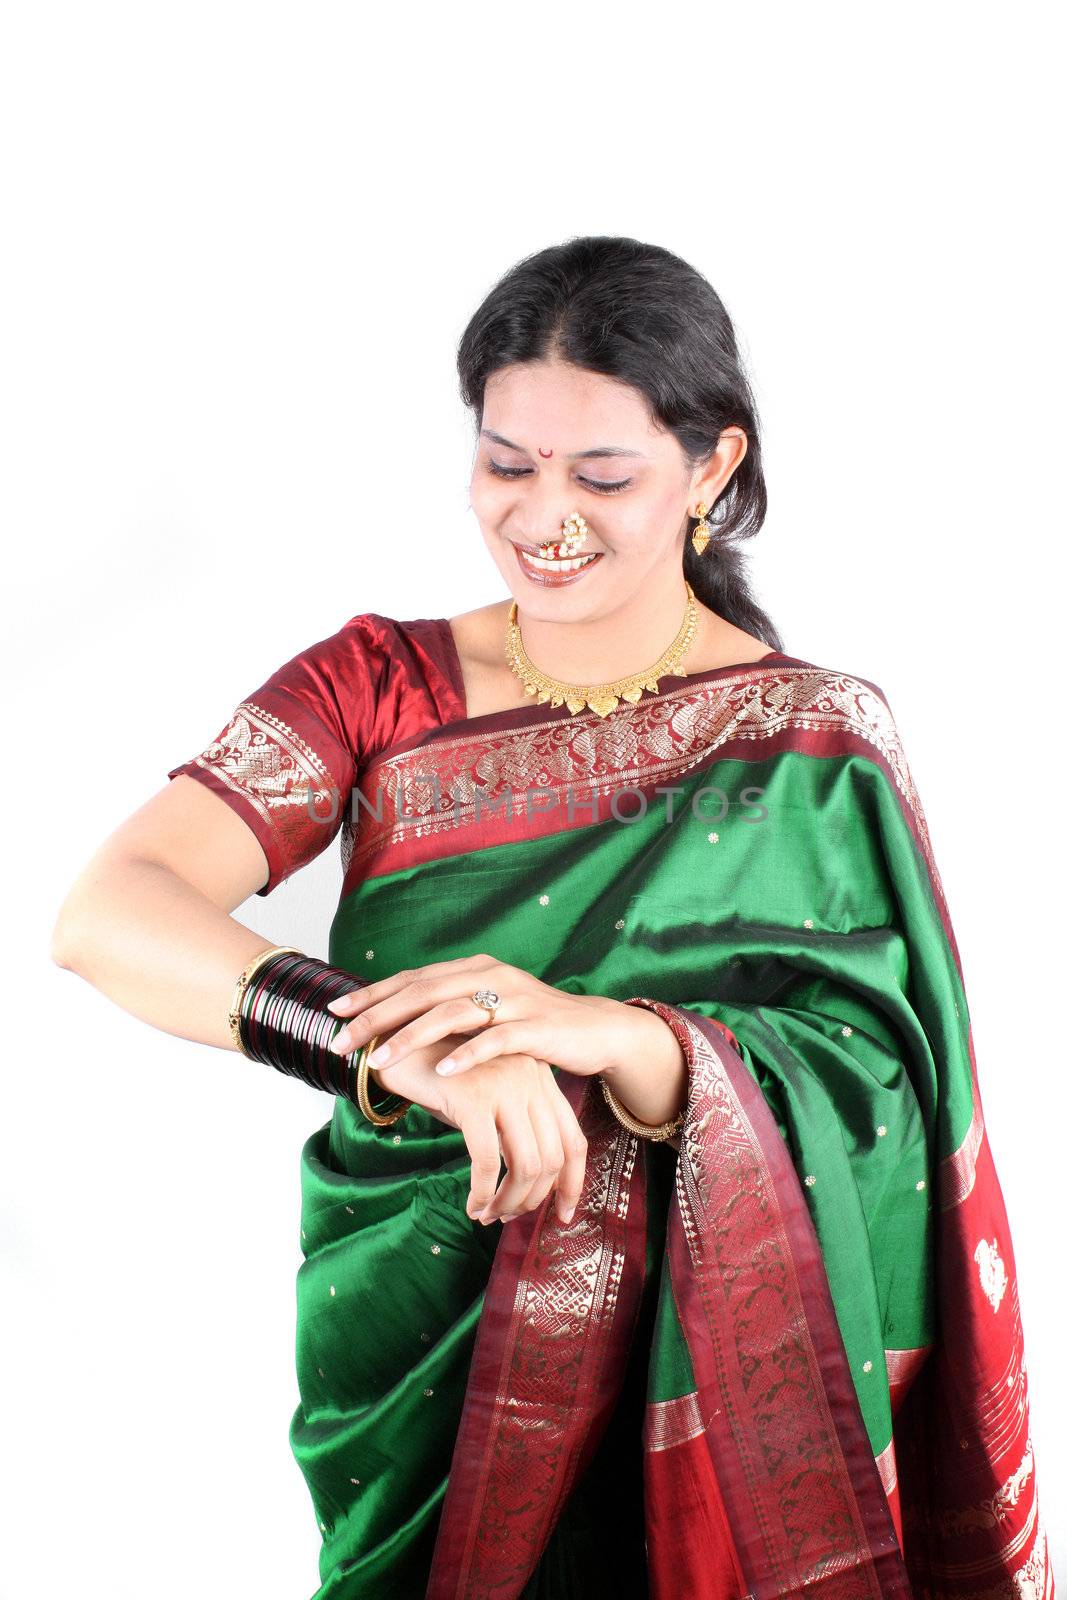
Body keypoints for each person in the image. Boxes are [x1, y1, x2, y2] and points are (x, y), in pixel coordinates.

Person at [50, 235, 1055, 1600]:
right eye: (507, 464)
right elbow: (111, 908)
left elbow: (887, 1094)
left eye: (605, 474)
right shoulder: (378, 687)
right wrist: (382, 1045)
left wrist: (624, 1043)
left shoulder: (817, 739)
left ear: (711, 470)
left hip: (723, 1382)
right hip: (429, 1328)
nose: (545, 518)